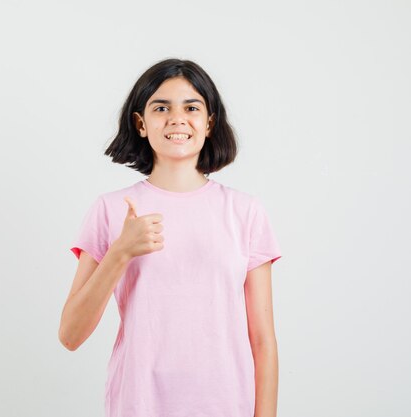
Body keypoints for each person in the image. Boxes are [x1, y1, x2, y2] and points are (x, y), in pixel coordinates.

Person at [58, 58, 282, 417]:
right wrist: (121, 252)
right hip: (138, 406)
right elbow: (70, 334)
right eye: (161, 107)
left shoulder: (245, 212)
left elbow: (263, 341)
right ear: (141, 123)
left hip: (227, 407)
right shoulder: (110, 210)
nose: (177, 118)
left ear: (209, 123)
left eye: (191, 107)